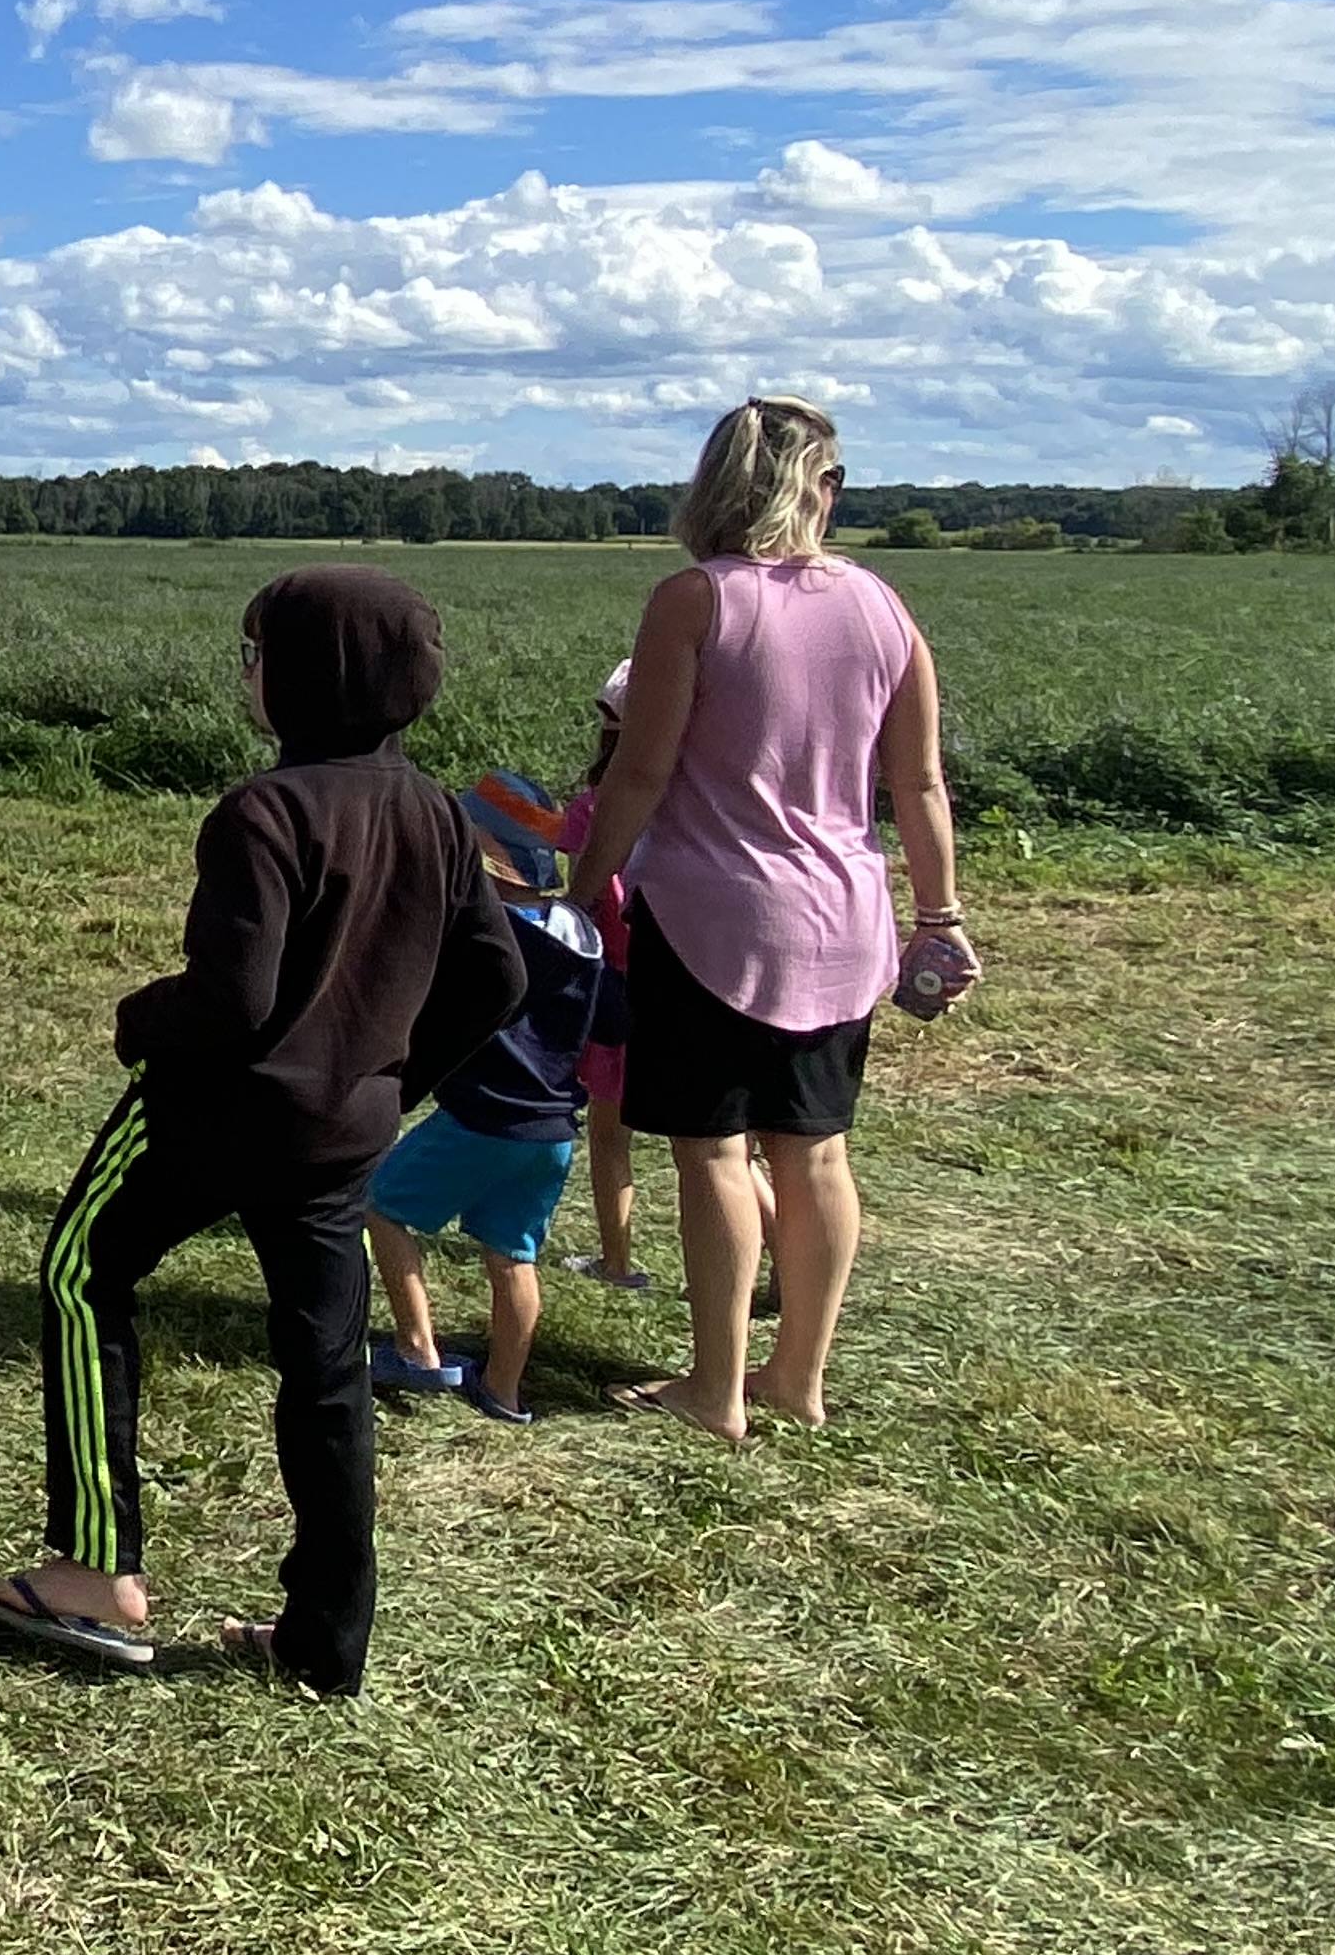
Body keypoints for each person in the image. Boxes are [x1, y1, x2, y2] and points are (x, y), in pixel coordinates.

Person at [0, 568, 526, 1698]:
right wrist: (389, 1075)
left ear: (304, 673)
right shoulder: (432, 810)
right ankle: (326, 1640)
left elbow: (230, 1002)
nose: (245, 670)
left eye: (254, 650)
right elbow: (499, 975)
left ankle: (96, 1569)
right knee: (324, 1372)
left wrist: (141, 1021)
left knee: (83, 1274)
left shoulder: (263, 813)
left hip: (210, 1117)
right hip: (340, 1140)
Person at [570, 396, 973, 1444]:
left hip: (713, 918)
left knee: (711, 1151)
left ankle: (717, 1388)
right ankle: (799, 1377)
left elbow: (643, 771)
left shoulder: (692, 601)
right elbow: (921, 785)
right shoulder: (885, 608)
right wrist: (942, 915)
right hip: (848, 919)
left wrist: (581, 890)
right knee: (817, 1152)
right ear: (820, 488)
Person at [364, 852, 617, 1424]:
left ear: (494, 873)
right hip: (550, 1132)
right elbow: (612, 1022)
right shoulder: (584, 937)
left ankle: (416, 1349)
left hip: (480, 1119)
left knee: (379, 1204)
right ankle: (504, 1392)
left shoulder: (480, 938)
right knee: (511, 1255)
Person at [552, 665, 653, 1293]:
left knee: (610, 1137)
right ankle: (781, 1260)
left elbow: (578, 897)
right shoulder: (699, 804)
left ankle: (616, 1262)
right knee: (724, 1145)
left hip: (617, 993)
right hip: (690, 988)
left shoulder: (592, 808)